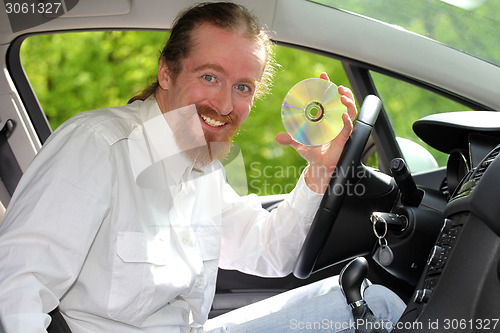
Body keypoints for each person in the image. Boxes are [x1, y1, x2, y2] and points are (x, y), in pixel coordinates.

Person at [0, 2, 405, 333]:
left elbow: (270, 251)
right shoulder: (97, 146)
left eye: (242, 87)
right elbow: (15, 290)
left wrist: (320, 169)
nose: (226, 105)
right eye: (210, 76)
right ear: (166, 71)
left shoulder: (203, 167)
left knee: (374, 304)